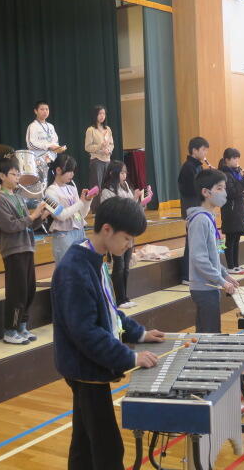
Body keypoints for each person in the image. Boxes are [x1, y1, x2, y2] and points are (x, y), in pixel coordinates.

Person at [51, 196, 166, 470]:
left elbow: (110, 313)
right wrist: (130, 357)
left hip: (89, 366)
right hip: (85, 369)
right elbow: (86, 333)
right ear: (106, 229)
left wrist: (139, 334)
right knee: (108, 448)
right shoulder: (74, 269)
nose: (129, 245)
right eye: (127, 238)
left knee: (84, 444)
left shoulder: (95, 260)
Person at [0, 158, 49, 345]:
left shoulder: (17, 197)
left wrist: (41, 216)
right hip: (13, 250)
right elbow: (9, 226)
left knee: (29, 289)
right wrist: (33, 216)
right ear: (2, 176)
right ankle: (10, 329)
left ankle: (22, 326)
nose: (17, 178)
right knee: (17, 291)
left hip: (27, 246)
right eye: (14, 174)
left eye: (18, 174)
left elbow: (29, 224)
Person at [187, 168, 240, 333]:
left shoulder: (209, 218)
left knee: (206, 334)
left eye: (224, 188)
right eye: (219, 188)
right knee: (210, 335)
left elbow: (213, 256)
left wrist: (225, 275)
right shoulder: (200, 220)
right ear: (206, 192)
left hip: (210, 285)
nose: (224, 193)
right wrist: (221, 280)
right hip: (204, 287)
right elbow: (199, 258)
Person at [100, 161, 153, 309]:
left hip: (128, 231)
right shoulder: (107, 191)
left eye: (125, 172)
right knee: (119, 265)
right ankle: (119, 299)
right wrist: (133, 199)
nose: (124, 175)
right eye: (121, 172)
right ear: (113, 173)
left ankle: (125, 297)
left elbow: (131, 208)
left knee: (126, 266)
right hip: (116, 233)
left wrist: (141, 201)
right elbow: (113, 211)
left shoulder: (126, 187)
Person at [45, 154, 93, 263]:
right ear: (58, 170)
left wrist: (87, 201)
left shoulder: (72, 188)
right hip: (63, 236)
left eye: (73, 171)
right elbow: (61, 215)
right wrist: (81, 202)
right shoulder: (49, 193)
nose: (72, 174)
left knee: (85, 265)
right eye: (69, 171)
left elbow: (81, 215)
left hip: (80, 232)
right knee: (67, 269)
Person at [177, 136, 209, 284]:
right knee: (191, 243)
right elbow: (189, 190)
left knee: (198, 243)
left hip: (198, 208)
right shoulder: (188, 167)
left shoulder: (198, 166)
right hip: (192, 209)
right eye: (203, 150)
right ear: (194, 150)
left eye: (206, 150)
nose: (205, 153)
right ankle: (186, 275)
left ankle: (196, 273)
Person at [218, 148, 244, 274]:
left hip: (239, 210)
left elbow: (243, 193)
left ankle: (236, 265)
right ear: (227, 160)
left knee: (237, 238)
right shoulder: (225, 175)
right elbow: (232, 192)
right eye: (234, 158)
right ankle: (230, 266)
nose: (237, 160)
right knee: (230, 239)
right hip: (230, 211)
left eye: (238, 158)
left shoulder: (237, 173)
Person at [26, 100, 65, 183]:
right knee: (41, 184)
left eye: (47, 109)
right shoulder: (33, 126)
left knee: (52, 184)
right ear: (35, 111)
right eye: (42, 109)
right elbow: (31, 144)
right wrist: (48, 147)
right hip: (38, 162)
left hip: (52, 161)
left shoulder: (51, 126)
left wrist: (58, 148)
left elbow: (55, 142)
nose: (45, 111)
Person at [84, 105, 114, 212]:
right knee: (96, 186)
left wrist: (109, 150)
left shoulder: (108, 129)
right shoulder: (91, 130)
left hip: (107, 160)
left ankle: (107, 206)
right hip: (97, 161)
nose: (102, 116)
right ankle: (96, 209)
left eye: (104, 114)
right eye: (100, 113)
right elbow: (87, 147)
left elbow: (111, 144)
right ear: (95, 115)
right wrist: (100, 147)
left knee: (108, 185)